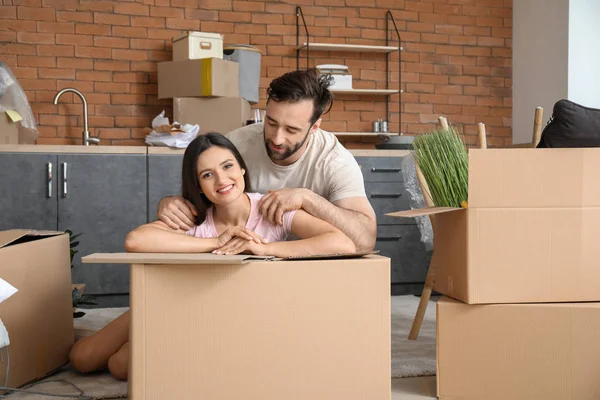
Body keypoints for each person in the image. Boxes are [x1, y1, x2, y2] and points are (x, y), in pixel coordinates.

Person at [68, 133, 356, 381]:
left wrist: (265, 249)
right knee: (81, 359)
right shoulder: (195, 215)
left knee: (120, 366)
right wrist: (214, 242)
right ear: (198, 183)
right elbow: (136, 240)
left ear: (242, 169)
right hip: (170, 303)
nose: (221, 180)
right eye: (207, 175)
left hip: (216, 317)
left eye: (228, 166)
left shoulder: (271, 209)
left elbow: (343, 242)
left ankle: (151, 344)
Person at [157, 68, 377, 252]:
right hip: (240, 262)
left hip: (311, 262)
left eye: (291, 129)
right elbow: (206, 192)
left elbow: (365, 240)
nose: (277, 138)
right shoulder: (237, 144)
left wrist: (308, 198)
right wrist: (172, 203)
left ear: (314, 127)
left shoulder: (334, 162)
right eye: (271, 123)